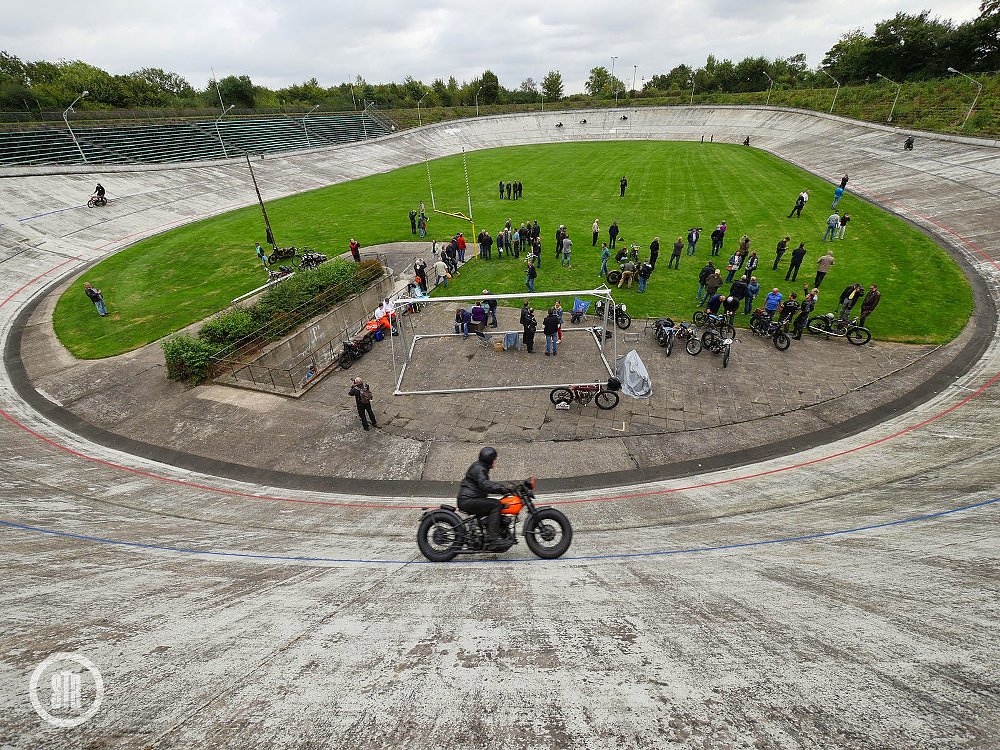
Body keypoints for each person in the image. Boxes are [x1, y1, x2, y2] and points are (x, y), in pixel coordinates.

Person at [457, 447, 512, 549]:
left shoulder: (480, 466)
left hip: (469, 498)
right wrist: (502, 488)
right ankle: (493, 540)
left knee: (495, 504)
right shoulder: (480, 468)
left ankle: (491, 532)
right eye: (494, 459)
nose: (496, 461)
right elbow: (485, 484)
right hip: (468, 500)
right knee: (496, 505)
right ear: (489, 459)